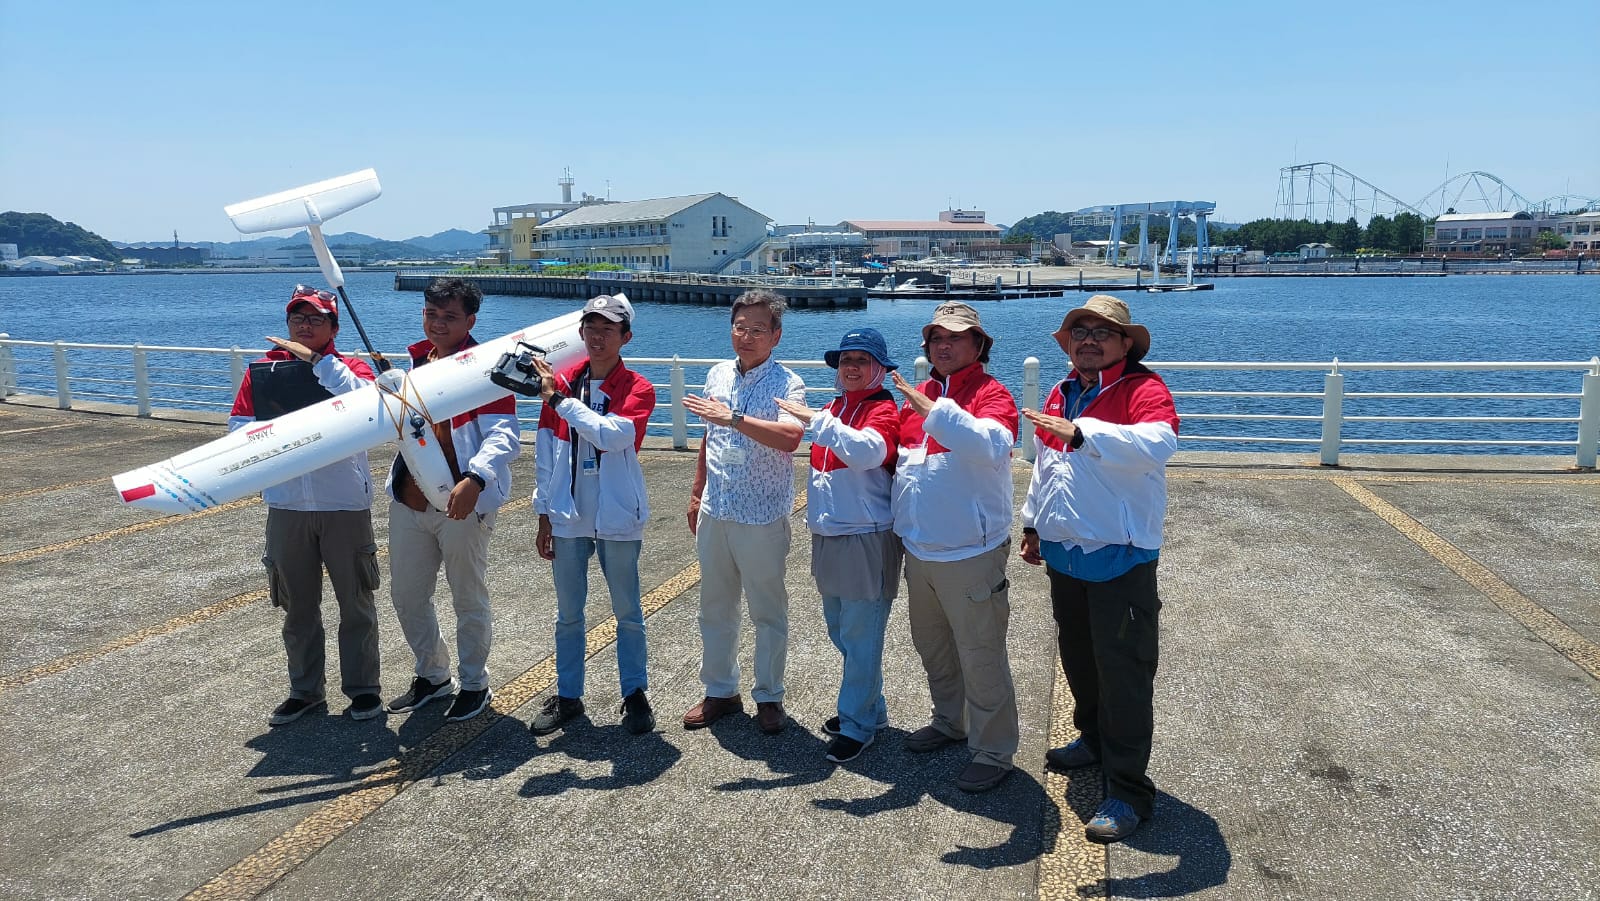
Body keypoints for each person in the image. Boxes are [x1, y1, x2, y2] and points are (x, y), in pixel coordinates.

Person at [1018, 294, 1179, 843]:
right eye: (1079, 331)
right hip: (1067, 551)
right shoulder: (1065, 390)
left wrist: (1085, 433)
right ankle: (1091, 740)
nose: (1089, 339)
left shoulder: (1142, 388)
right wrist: (1034, 522)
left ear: (1124, 344)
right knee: (1080, 658)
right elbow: (1047, 463)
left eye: (1102, 332)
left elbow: (1160, 443)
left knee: (1126, 674)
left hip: (1120, 552)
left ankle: (1130, 790)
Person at [228, 285, 381, 725]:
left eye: (316, 318)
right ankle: (305, 690)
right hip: (287, 503)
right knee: (297, 605)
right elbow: (237, 429)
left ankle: (364, 689)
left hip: (344, 502)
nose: (305, 325)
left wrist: (320, 364)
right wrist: (276, 435)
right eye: (298, 318)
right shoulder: (262, 371)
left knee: (355, 601)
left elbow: (368, 406)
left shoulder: (349, 368)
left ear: (333, 326)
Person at [890, 301, 1020, 793]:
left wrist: (936, 411)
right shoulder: (917, 393)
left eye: (956, 337)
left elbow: (992, 442)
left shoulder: (991, 394)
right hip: (919, 550)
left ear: (978, 346)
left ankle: (994, 749)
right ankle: (950, 720)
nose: (943, 345)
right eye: (936, 338)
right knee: (934, 646)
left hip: (971, 552)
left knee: (981, 652)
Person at [383, 277, 521, 723]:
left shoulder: (487, 367)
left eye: (449, 317)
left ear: (470, 321)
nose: (437, 324)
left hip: (464, 501)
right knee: (406, 594)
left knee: (468, 596)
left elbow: (504, 434)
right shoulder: (412, 364)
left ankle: (474, 682)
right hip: (409, 497)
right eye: (430, 314)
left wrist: (477, 478)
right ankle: (433, 674)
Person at [528, 294, 659, 736]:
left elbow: (615, 436)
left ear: (626, 337)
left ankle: (634, 694)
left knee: (627, 610)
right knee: (568, 613)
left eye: (608, 329)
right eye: (590, 327)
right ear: (580, 334)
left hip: (618, 512)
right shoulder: (563, 380)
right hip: (568, 513)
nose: (598, 336)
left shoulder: (637, 387)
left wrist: (561, 401)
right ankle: (568, 696)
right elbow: (546, 450)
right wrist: (544, 512)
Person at [680, 290, 807, 734]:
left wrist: (733, 417)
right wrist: (697, 492)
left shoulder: (788, 384)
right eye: (740, 327)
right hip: (717, 508)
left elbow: (791, 438)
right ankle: (720, 691)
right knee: (714, 606)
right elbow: (708, 439)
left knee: (767, 610)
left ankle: (769, 696)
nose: (746, 336)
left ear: (776, 335)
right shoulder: (717, 375)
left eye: (757, 329)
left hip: (763, 515)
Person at [774, 328, 903, 764]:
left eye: (861, 360)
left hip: (866, 536)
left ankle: (857, 723)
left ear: (880, 369)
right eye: (845, 359)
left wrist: (818, 422)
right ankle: (872, 708)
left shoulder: (882, 408)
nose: (850, 367)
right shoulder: (834, 408)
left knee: (861, 635)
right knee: (841, 629)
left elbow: (870, 452)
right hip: (830, 534)